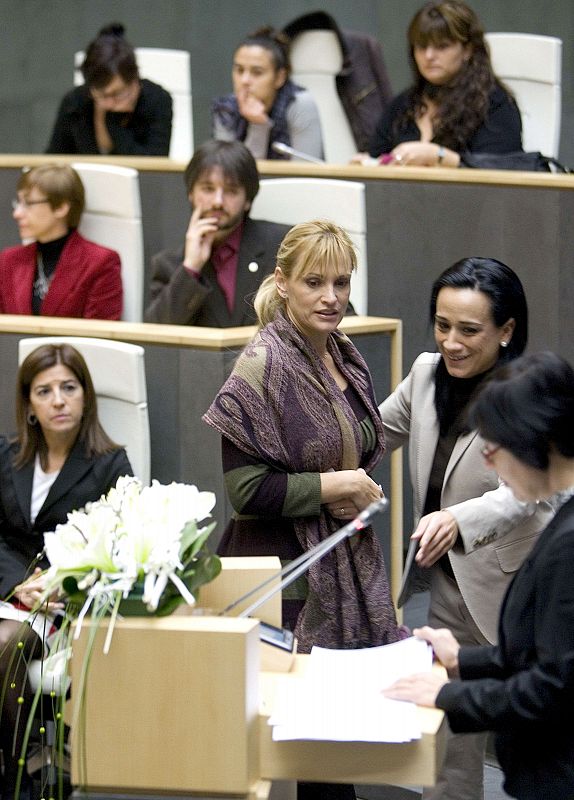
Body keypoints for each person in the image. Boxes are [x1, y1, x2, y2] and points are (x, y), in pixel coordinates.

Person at [378, 258, 552, 800]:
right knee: (450, 740)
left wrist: (459, 518)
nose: (451, 342)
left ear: (506, 332)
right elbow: (372, 435)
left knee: (533, 739)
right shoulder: (427, 372)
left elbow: (531, 492)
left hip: (510, 581)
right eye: (442, 324)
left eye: (469, 330)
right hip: (448, 584)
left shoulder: (525, 391)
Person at [0, 343, 132, 800]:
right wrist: (18, 582)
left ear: (85, 397)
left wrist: (54, 584)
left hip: (67, 603)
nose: (58, 399)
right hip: (9, 590)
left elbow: (116, 548)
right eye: (45, 390)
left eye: (68, 388)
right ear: (30, 405)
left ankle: (16, 779)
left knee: (8, 642)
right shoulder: (7, 455)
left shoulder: (112, 464)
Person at [145, 140, 289, 326]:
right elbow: (156, 335)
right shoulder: (169, 264)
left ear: (247, 199)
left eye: (231, 191)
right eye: (208, 189)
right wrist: (191, 268)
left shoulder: (283, 246)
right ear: (191, 193)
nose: (218, 202)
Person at [362, 1, 522, 167]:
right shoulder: (402, 105)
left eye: (442, 46)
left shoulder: (496, 104)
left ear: (467, 50)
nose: (429, 56)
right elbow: (377, 159)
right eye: (422, 47)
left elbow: (502, 172)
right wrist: (367, 164)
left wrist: (439, 156)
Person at [0, 164, 123, 319]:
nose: (17, 213)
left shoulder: (100, 263)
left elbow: (99, 337)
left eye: (28, 203)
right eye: (18, 202)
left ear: (61, 208)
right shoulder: (8, 260)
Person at [46, 23, 172, 156]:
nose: (109, 104)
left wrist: (113, 123)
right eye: (101, 95)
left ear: (134, 80)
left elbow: (156, 166)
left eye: (117, 94)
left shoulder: (159, 100)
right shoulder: (75, 101)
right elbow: (54, 157)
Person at [211, 26, 324, 161]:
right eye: (239, 70)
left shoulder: (300, 104)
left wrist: (259, 125)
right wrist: (258, 126)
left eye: (257, 72)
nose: (244, 80)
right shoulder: (226, 108)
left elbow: (306, 172)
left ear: (279, 78)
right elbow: (230, 174)